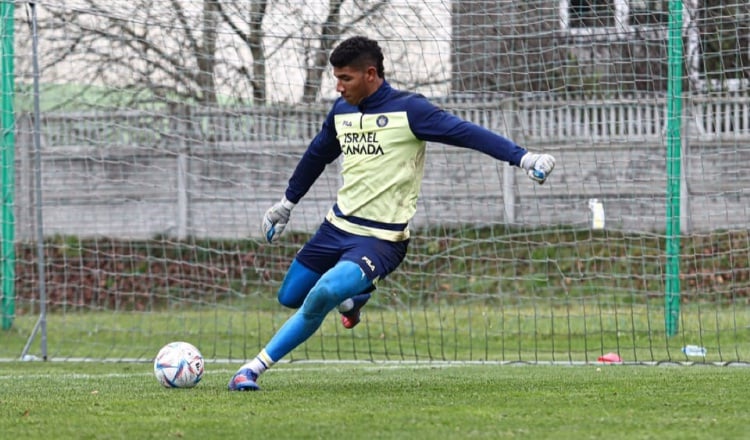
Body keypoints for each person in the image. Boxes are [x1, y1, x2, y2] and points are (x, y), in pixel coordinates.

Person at [228, 36, 555, 391]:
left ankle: (251, 370)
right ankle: (354, 300)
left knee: (322, 294)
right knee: (290, 297)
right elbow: (316, 156)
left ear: (371, 74)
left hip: (381, 240)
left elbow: (467, 134)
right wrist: (287, 204)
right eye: (335, 78)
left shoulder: (410, 110)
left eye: (345, 79)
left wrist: (524, 158)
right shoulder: (341, 112)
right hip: (335, 228)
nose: (338, 87)